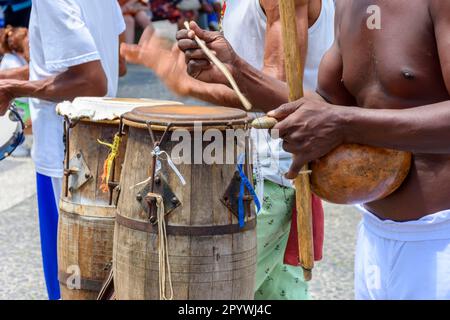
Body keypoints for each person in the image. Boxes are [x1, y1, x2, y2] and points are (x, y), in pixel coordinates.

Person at [177, 0, 450, 300]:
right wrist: (237, 70)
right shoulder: (350, 5)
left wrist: (345, 123)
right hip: (375, 237)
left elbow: (339, 119)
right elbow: (325, 107)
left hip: (439, 240)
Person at [123, 0, 335, 300]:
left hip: (265, 183)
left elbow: (277, 92)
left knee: (205, 297)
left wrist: (186, 83)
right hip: (275, 176)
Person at [0, 0, 126, 300]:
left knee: (70, 287)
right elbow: (115, 64)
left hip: (64, 156)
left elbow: (92, 80)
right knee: (102, 281)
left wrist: (14, 90)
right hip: (103, 149)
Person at [0, 25, 31, 156]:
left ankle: (21, 141)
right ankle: (16, 144)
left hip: (24, 101)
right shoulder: (11, 61)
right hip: (17, 103)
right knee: (20, 124)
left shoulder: (18, 58)